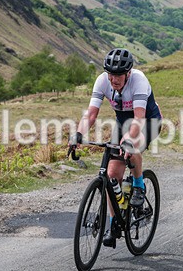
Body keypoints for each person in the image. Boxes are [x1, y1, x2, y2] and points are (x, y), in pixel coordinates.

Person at [69, 48, 162, 248]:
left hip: (148, 121)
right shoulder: (102, 81)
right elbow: (91, 114)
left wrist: (129, 140)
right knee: (111, 175)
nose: (114, 79)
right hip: (122, 124)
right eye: (111, 74)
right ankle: (114, 224)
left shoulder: (139, 80)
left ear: (128, 73)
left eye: (118, 75)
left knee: (132, 145)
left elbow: (138, 119)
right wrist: (78, 134)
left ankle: (139, 184)